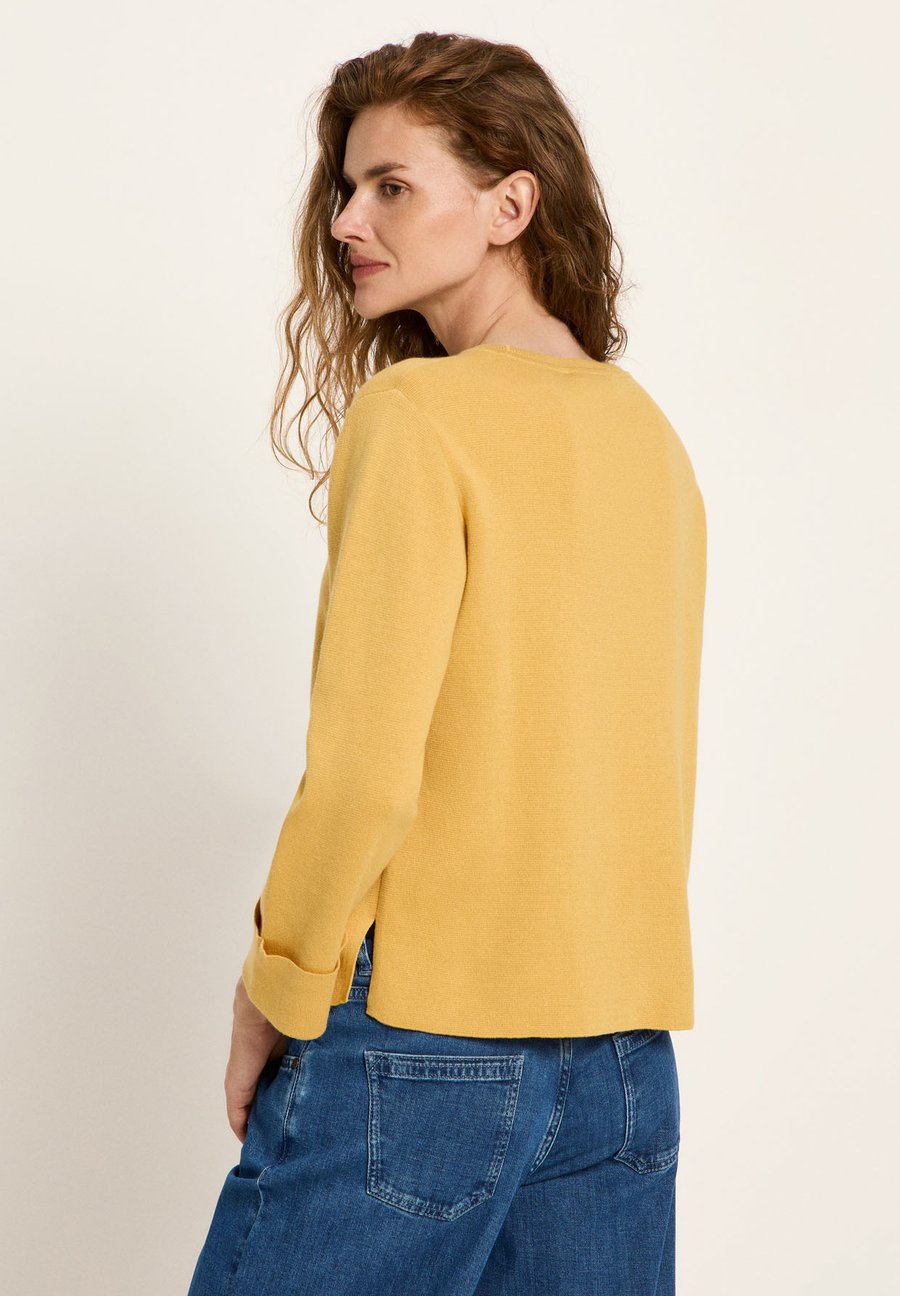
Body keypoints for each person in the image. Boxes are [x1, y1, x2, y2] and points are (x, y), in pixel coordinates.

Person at [188, 30, 707, 1296]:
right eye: (346, 189)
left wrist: (276, 986)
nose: (347, 222)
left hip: (422, 1049)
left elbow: (366, 774)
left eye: (391, 186)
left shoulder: (416, 416)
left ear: (509, 205)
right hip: (624, 1061)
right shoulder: (648, 435)